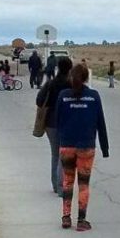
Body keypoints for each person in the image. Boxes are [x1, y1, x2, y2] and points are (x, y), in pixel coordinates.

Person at [54, 63, 110, 232]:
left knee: (67, 181)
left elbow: (58, 121)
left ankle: (65, 217)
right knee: (84, 184)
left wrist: (61, 141)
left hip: (66, 145)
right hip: (86, 146)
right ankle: (81, 220)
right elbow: (100, 123)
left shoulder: (63, 96)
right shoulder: (93, 96)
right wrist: (105, 147)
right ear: (86, 78)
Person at [38, 58, 73, 195]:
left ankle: (55, 184)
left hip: (50, 122)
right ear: (70, 68)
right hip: (66, 122)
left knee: (55, 154)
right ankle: (61, 186)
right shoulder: (70, 85)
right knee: (63, 154)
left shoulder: (50, 84)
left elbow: (39, 100)